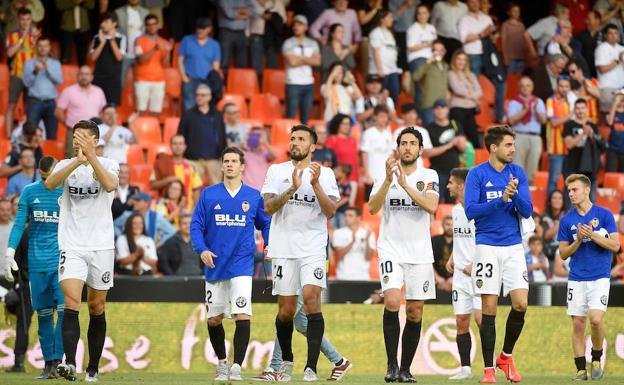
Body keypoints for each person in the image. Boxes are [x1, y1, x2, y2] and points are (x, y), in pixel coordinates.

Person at [261, 124, 339, 381]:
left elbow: (330, 212)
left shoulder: (325, 174)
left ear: (312, 147)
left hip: (313, 247)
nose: (295, 142)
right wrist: (292, 189)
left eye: (301, 139)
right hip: (284, 247)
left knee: (312, 299)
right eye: (293, 138)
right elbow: (269, 208)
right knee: (286, 310)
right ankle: (287, 361)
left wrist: (314, 185)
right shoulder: (276, 170)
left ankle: (311, 367)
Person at [43, 120, 120, 382]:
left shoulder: (109, 164)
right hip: (72, 244)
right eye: (75, 137)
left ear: (95, 140)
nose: (76, 140)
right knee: (72, 303)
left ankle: (93, 368)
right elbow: (49, 184)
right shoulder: (66, 165)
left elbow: (110, 185)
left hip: (101, 246)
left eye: (82, 137)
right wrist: (77, 161)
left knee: (97, 306)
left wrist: (91, 159)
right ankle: (70, 363)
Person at [191, 146, 271, 381]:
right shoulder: (209, 194)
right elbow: (196, 225)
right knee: (214, 318)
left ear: (242, 166)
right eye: (226, 161)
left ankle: (236, 366)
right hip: (215, 264)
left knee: (242, 314)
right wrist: (202, 249)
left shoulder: (253, 196)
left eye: (234, 161)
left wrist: (268, 243)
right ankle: (223, 362)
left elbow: (265, 223)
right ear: (222, 165)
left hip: (242, 264)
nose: (229, 164)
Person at [368, 127, 439, 382]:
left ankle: (406, 369)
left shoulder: (429, 175)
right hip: (391, 250)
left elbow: (431, 206)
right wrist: (388, 182)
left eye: (412, 143)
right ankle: (391, 365)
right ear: (398, 148)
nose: (407, 147)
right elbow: (372, 208)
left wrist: (406, 185)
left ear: (420, 149)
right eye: (403, 143)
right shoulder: (384, 175)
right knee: (392, 302)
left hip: (419, 252)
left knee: (415, 312)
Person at [464, 125, 532, 383]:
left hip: (513, 245)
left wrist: (513, 197)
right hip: (487, 246)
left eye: (513, 144)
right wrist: (500, 199)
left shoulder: (517, 173)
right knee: (489, 309)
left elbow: (527, 211)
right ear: (493, 148)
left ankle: (506, 355)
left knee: (521, 304)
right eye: (508, 145)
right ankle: (489, 368)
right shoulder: (477, 174)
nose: (513, 149)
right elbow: (471, 211)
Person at [3, 156, 64, 379]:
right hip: (36, 263)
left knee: (66, 313)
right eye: (45, 177)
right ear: (39, 173)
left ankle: (59, 361)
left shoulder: (68, 191)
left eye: (53, 176)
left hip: (62, 262)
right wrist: (9, 253)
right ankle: (48, 364)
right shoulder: (30, 191)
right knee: (44, 315)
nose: (49, 182)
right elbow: (19, 223)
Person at [557, 174, 620, 381]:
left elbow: (616, 246)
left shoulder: (605, 215)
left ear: (586, 190)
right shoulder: (567, 220)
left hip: (600, 276)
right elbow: (563, 253)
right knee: (577, 325)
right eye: (569, 191)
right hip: (576, 277)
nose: (571, 194)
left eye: (574, 190)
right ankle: (580, 370)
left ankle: (596, 356)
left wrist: (592, 235)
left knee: (595, 319)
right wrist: (579, 240)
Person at [444, 167, 482, 380]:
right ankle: (465, 368)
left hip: (478, 274)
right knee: (461, 321)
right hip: (459, 276)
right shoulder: (456, 211)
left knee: (481, 320)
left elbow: (486, 240)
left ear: (460, 185)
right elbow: (462, 238)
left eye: (450, 182)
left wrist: (474, 265)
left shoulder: (478, 209)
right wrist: (452, 257)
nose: (447, 186)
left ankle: (490, 364)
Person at [177, 84, 227, 186]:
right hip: (193, 160)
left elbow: (222, 136)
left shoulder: (217, 114)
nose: (199, 97)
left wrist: (223, 156)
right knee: (194, 188)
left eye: (202, 95)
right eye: (197, 95)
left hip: (213, 159)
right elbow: (180, 135)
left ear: (209, 97)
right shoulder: (188, 114)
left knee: (215, 190)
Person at [55, 66, 107, 158]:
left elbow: (103, 112)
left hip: (93, 132)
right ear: (77, 76)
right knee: (72, 157)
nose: (84, 77)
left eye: (87, 74)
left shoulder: (99, 91)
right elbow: (58, 111)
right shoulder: (69, 91)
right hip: (75, 132)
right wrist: (69, 125)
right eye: (81, 74)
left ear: (92, 77)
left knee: (94, 158)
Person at [423, 99, 467, 204]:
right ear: (433, 111)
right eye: (437, 108)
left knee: (452, 200)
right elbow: (426, 153)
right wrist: (450, 144)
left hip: (454, 171)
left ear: (447, 110)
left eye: (443, 108)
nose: (440, 111)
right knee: (435, 200)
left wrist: (459, 142)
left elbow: (463, 148)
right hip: (437, 170)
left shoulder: (455, 124)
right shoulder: (429, 128)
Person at [507, 76, 547, 185]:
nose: (525, 88)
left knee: (532, 168)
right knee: (517, 167)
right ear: (519, 87)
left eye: (528, 85)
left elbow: (543, 120)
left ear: (532, 87)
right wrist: (525, 110)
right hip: (519, 135)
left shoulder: (538, 101)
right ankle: (515, 194)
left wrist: (536, 111)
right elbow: (511, 120)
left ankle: (528, 193)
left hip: (535, 137)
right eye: (523, 86)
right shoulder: (514, 102)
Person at [562, 98, 605, 200]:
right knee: (572, 200)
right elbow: (569, 144)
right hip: (573, 166)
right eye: (577, 108)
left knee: (591, 199)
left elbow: (600, 146)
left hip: (590, 168)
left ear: (587, 109)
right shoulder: (569, 125)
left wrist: (592, 135)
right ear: (574, 110)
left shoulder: (593, 126)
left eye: (582, 108)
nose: (580, 111)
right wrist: (583, 134)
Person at [283, 15, 321, 125]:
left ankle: (303, 140)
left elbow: (317, 62)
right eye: (294, 24)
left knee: (306, 117)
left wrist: (300, 58)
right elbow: (292, 62)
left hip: (308, 84)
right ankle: (288, 139)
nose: (296, 27)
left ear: (306, 27)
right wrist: (308, 59)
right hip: (293, 83)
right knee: (291, 115)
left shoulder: (312, 43)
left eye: (299, 24)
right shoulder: (288, 43)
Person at [22, 37, 63, 140]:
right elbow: (26, 83)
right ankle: (30, 156)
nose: (43, 48)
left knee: (52, 135)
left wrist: (48, 70)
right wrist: (35, 72)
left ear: (49, 48)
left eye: (45, 46)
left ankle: (50, 156)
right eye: (40, 46)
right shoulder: (29, 63)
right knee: (30, 134)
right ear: (36, 48)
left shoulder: (55, 63)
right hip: (34, 102)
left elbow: (59, 81)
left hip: (51, 104)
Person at [178, 18, 221, 111]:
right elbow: (180, 60)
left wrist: (213, 79)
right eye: (198, 28)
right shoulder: (186, 40)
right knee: (189, 107)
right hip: (190, 80)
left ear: (209, 29)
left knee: (205, 108)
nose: (199, 30)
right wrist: (184, 77)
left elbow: (216, 64)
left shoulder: (215, 44)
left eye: (203, 28)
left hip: (207, 81)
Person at [134, 13, 171, 116]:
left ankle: (151, 131)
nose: (152, 26)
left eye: (154, 24)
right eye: (149, 24)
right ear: (145, 26)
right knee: (140, 110)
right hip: (142, 80)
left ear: (158, 25)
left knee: (156, 111)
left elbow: (165, 63)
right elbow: (140, 60)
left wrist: (168, 52)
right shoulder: (139, 40)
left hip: (159, 80)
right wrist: (154, 49)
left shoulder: (163, 42)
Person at [150, 134, 203, 204]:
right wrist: (168, 180)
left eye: (180, 144)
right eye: (175, 143)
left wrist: (196, 211)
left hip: (186, 210)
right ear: (170, 146)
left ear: (185, 146)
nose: (178, 146)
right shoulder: (161, 162)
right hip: (166, 209)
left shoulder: (191, 166)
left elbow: (196, 190)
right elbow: (152, 185)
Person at [90, 12, 126, 106]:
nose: (102, 24)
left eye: (106, 21)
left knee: (111, 109)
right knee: (96, 107)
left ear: (114, 23)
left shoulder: (121, 38)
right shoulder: (97, 37)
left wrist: (112, 39)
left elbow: (119, 57)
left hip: (113, 80)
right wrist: (102, 43)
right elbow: (93, 58)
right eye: (102, 22)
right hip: (98, 78)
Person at [448, 49, 482, 149]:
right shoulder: (451, 73)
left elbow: (480, 91)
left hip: (470, 110)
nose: (461, 62)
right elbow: (457, 89)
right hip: (457, 109)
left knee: (475, 138)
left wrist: (469, 95)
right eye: (459, 59)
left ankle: (477, 162)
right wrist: (473, 95)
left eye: (464, 60)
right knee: (460, 137)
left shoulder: (471, 75)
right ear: (454, 60)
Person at [360, 105, 395, 201]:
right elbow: (364, 154)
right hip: (372, 175)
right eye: (381, 116)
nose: (384, 119)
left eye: (386, 117)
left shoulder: (388, 134)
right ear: (375, 117)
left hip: (384, 176)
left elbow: (391, 156)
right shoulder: (368, 133)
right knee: (370, 205)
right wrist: (367, 174)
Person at [545, 76, 572, 197]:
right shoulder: (550, 101)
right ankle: (549, 210)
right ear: (557, 86)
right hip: (555, 148)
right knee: (553, 180)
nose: (564, 89)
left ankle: (565, 209)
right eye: (561, 86)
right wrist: (570, 116)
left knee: (569, 182)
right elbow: (553, 122)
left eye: (566, 86)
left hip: (570, 148)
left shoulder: (570, 102)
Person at [332, 206, 375, 281]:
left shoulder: (367, 233)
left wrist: (367, 240)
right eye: (345, 215)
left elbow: (368, 257)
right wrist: (352, 242)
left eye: (350, 215)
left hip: (363, 277)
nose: (346, 218)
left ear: (358, 218)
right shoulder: (338, 233)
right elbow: (339, 255)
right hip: (343, 277)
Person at [411, 40, 448, 126]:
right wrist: (428, 61)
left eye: (440, 50)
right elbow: (415, 77)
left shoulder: (446, 66)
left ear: (444, 52)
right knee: (431, 133)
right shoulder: (426, 64)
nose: (437, 52)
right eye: (434, 50)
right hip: (429, 106)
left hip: (442, 106)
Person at [406, 4, 437, 108]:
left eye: (424, 13)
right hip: (418, 59)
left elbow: (436, 45)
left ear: (429, 14)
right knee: (421, 87)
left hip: (432, 59)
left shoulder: (431, 28)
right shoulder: (413, 28)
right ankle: (420, 113)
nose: (422, 15)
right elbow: (411, 47)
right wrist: (427, 44)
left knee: (432, 86)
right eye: (419, 13)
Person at [114, 0, 149, 89]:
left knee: (141, 85)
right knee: (120, 83)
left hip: (140, 54)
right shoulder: (118, 12)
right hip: (124, 53)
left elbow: (148, 33)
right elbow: (115, 32)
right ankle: (119, 102)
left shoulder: (146, 12)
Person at [368, 10, 400, 104]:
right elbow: (375, 51)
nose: (392, 19)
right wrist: (380, 68)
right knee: (379, 94)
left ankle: (390, 113)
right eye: (389, 17)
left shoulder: (390, 33)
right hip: (381, 70)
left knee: (395, 92)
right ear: (382, 19)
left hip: (392, 69)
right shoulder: (376, 33)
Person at [249, 0, 286, 80]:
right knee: (256, 66)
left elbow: (283, 21)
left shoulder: (277, 3)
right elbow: (247, 19)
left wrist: (272, 17)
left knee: (272, 65)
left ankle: (270, 88)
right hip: (256, 35)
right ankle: (257, 88)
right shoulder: (251, 2)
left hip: (272, 39)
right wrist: (247, 35)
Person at [217, 0, 254, 75]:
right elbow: (229, 14)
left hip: (241, 32)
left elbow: (253, 12)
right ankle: (224, 85)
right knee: (224, 62)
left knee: (242, 62)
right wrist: (244, 12)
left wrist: (236, 10)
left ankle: (239, 84)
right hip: (226, 32)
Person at [392, 103, 433, 170]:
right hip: (401, 168)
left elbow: (427, 152)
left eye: (413, 113)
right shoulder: (398, 131)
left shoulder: (423, 131)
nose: (411, 116)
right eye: (408, 113)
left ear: (417, 115)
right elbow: (396, 153)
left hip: (419, 167)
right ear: (403, 115)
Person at [595, 23, 624, 114]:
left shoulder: (622, 48)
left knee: (620, 118)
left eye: (615, 33)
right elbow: (602, 69)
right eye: (610, 33)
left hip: (621, 88)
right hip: (607, 88)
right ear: (605, 35)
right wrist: (617, 61)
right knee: (608, 116)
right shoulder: (601, 48)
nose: (613, 36)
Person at [55, 0, 93, 66]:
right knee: (65, 57)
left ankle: (82, 75)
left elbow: (91, 5)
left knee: (82, 60)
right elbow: (59, 5)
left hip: (83, 28)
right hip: (67, 27)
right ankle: (65, 74)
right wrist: (76, 1)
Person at [326, 114, 359, 187]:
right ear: (337, 124)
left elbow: (355, 161)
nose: (347, 126)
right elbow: (328, 159)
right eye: (344, 124)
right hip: (338, 179)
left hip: (353, 179)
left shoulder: (352, 140)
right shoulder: (332, 139)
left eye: (348, 124)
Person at [500, 2, 527, 74]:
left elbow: (524, 42)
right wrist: (505, 57)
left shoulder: (521, 26)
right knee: (510, 78)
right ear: (509, 12)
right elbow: (503, 41)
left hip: (521, 57)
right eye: (514, 11)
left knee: (519, 79)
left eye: (518, 11)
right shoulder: (505, 25)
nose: (516, 13)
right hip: (510, 58)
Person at [575, 10, 602, 78]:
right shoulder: (579, 36)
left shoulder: (604, 37)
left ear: (597, 20)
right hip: (584, 74)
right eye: (586, 19)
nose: (586, 21)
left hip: (600, 75)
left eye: (589, 19)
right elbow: (576, 56)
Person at [542, 190, 567, 260]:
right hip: (549, 252)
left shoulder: (568, 216)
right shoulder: (544, 216)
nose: (557, 200)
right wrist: (560, 222)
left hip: (565, 253)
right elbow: (546, 236)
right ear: (550, 201)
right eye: (554, 198)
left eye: (560, 198)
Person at [432, 215, 453, 292]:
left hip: (456, 279)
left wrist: (453, 279)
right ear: (442, 225)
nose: (450, 227)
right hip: (435, 279)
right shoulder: (434, 240)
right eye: (447, 224)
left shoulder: (460, 242)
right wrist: (437, 278)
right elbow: (429, 261)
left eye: (452, 224)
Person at [606, 91, 624, 172]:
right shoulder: (611, 112)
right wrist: (614, 105)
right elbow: (610, 121)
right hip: (612, 148)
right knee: (610, 172)